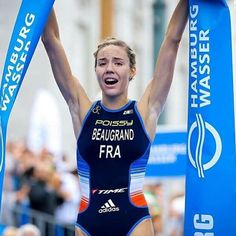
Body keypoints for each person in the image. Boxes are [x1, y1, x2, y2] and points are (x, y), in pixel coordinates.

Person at [41, 0, 188, 235]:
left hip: (133, 219)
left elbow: (172, 40)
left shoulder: (146, 111)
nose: (109, 68)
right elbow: (51, 40)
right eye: (102, 63)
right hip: (89, 221)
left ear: (132, 71)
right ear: (96, 70)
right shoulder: (82, 110)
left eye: (118, 63)